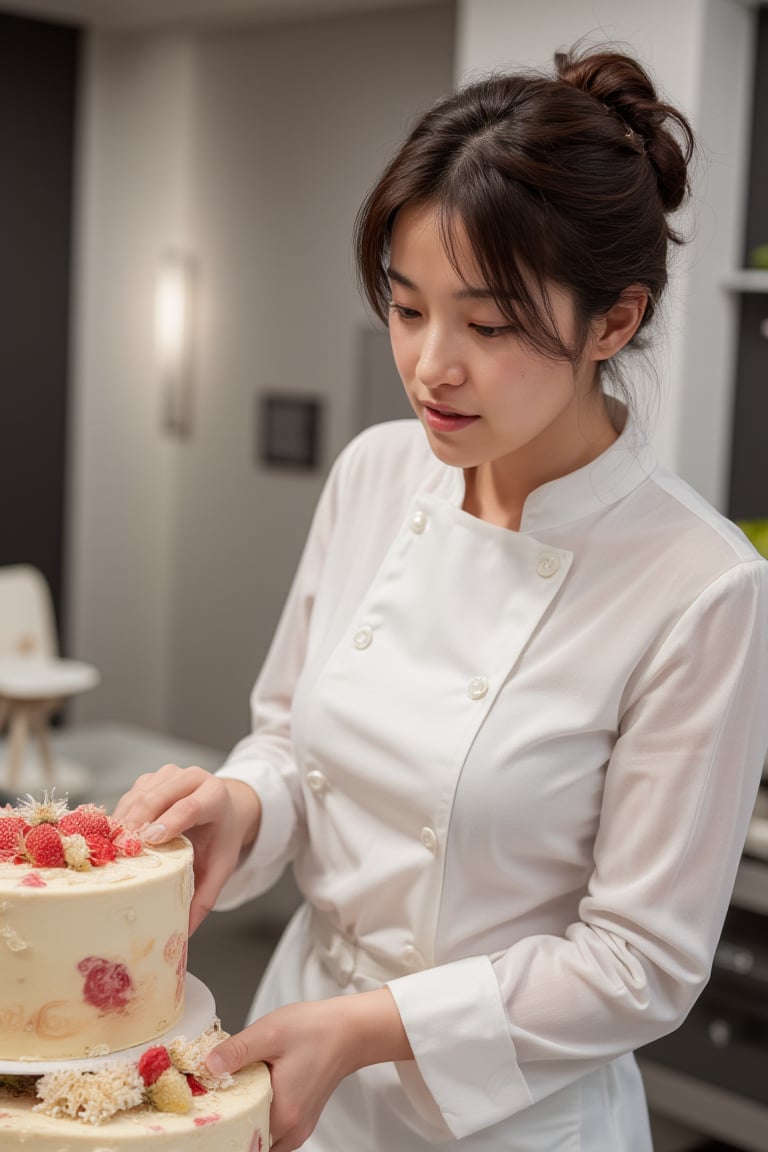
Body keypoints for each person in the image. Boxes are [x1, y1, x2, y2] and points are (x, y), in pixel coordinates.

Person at [114, 42, 768, 1152]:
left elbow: (637, 966)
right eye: (407, 309)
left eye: (490, 324)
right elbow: (290, 741)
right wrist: (245, 804)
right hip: (297, 1060)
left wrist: (369, 1025)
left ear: (612, 323)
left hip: (509, 1117)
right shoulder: (377, 472)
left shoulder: (701, 586)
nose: (430, 367)